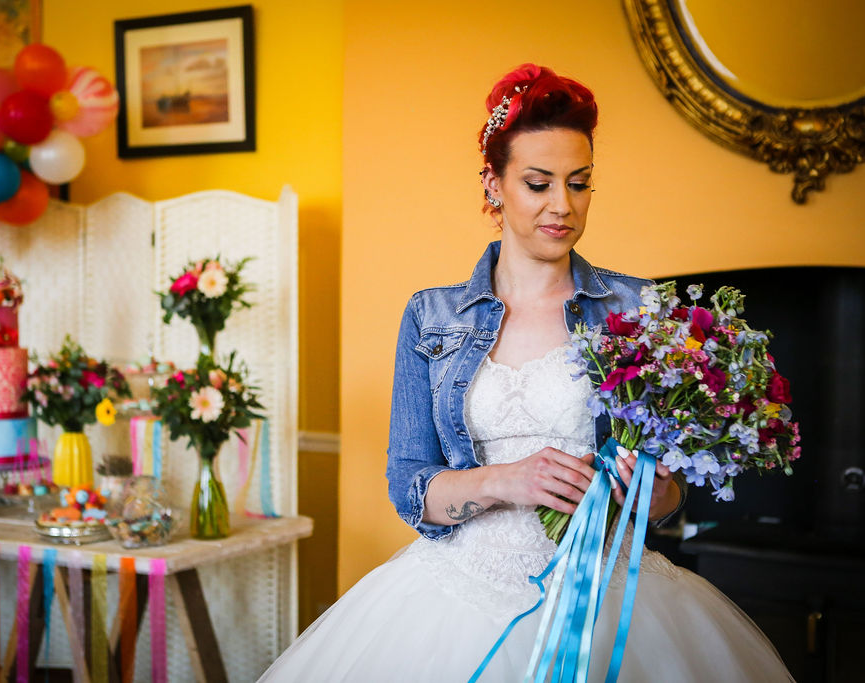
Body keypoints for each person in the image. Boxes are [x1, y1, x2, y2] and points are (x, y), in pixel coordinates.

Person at [260, 64, 792, 682]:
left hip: (609, 595)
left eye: (580, 183)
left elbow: (667, 502)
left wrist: (645, 489)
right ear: (494, 184)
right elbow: (411, 488)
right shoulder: (431, 317)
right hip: (456, 598)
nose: (562, 206)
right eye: (538, 184)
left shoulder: (639, 308)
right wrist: (507, 481)